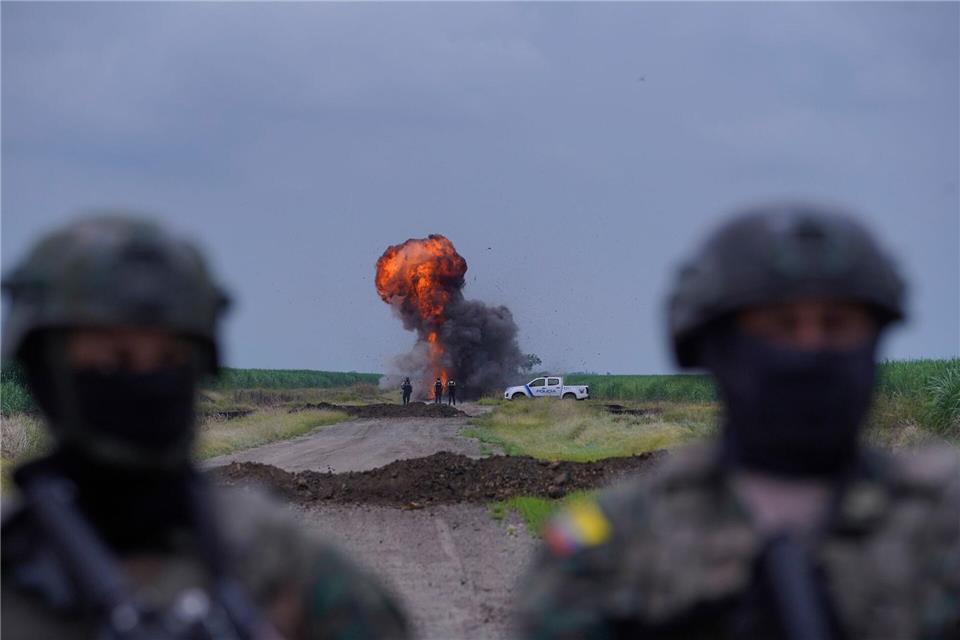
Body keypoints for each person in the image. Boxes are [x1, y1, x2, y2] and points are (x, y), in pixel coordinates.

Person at [516, 203, 960, 639]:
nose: (810, 348)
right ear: (713, 347)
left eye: (837, 324)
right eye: (780, 325)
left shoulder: (943, 527)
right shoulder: (614, 551)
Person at [1, 214, 411, 640]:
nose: (145, 382)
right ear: (45, 373)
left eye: (170, 361)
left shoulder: (281, 567)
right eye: (114, 360)